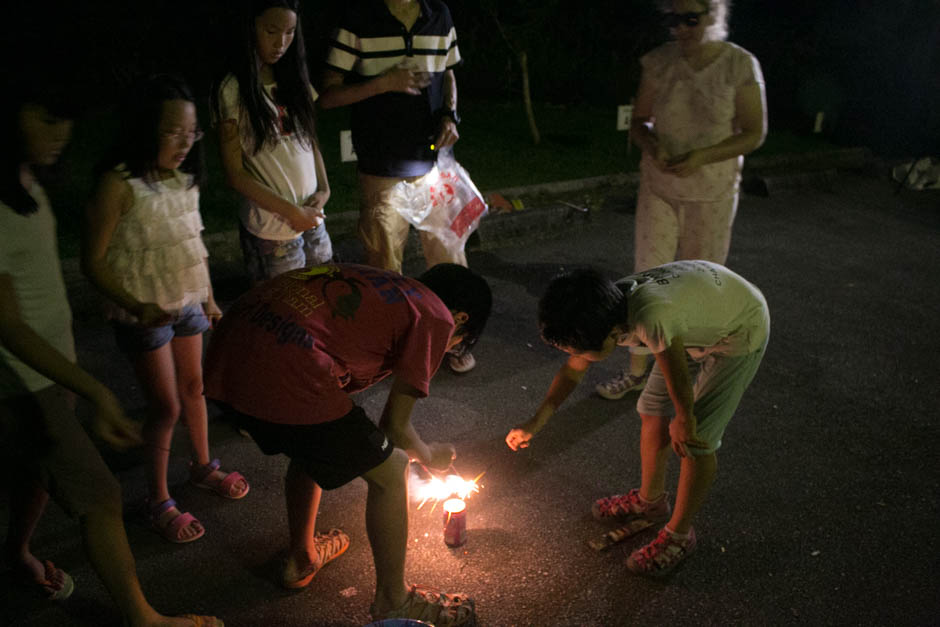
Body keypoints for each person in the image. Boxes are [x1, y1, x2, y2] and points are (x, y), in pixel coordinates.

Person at [0, 75, 223, 626]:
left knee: (39, 473)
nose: (63, 133)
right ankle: (145, 613)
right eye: (48, 118)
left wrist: (198, 299)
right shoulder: (101, 186)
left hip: (59, 366)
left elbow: (189, 245)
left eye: (67, 120)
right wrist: (96, 388)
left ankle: (16, 553)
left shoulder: (26, 185)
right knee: (99, 494)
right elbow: (11, 320)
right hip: (25, 377)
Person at [203, 262, 490, 624]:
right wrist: (432, 456)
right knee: (392, 470)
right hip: (287, 367)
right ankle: (393, 600)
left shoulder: (388, 287)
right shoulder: (436, 316)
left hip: (225, 356)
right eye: (459, 343)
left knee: (311, 437)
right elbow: (395, 428)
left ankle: (301, 558)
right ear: (460, 319)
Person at [506, 260, 770, 577]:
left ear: (615, 334)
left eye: (578, 350)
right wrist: (535, 422)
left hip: (739, 327)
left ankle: (679, 535)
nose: (573, 356)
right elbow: (572, 373)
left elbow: (677, 375)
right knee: (651, 410)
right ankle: (651, 502)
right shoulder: (599, 310)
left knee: (696, 440)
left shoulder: (650, 318)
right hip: (695, 313)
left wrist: (685, 419)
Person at [82, 75, 249, 545]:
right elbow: (91, 262)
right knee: (165, 404)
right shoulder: (118, 184)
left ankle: (201, 466)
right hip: (141, 310)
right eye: (172, 132)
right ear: (143, 128)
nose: (184, 143)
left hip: (187, 300)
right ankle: (157, 498)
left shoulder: (183, 179)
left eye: (191, 133)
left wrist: (210, 298)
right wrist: (135, 303)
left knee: (195, 388)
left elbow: (192, 245)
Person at [596, 0, 767, 401]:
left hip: (712, 189)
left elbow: (754, 132)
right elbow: (639, 122)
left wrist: (702, 156)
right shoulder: (659, 62)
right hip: (660, 184)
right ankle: (637, 370)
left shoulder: (739, 65)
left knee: (700, 280)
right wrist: (652, 146)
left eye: (693, 18)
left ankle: (686, 370)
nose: (683, 28)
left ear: (716, 16)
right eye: (674, 19)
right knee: (646, 276)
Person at [319, 0, 479, 374]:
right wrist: (383, 83)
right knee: (385, 267)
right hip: (381, 165)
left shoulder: (438, 13)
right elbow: (328, 95)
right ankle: (392, 343)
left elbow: (448, 73)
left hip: (434, 163)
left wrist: (449, 114)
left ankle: (454, 340)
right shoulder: (358, 15)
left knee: (450, 259)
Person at [212, 0, 333, 286]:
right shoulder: (233, 90)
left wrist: (325, 189)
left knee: (326, 292)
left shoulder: (294, 80)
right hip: (273, 228)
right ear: (250, 28)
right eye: (271, 31)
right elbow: (235, 175)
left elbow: (309, 141)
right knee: (289, 306)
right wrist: (293, 213)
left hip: (312, 215)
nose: (281, 42)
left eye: (290, 32)